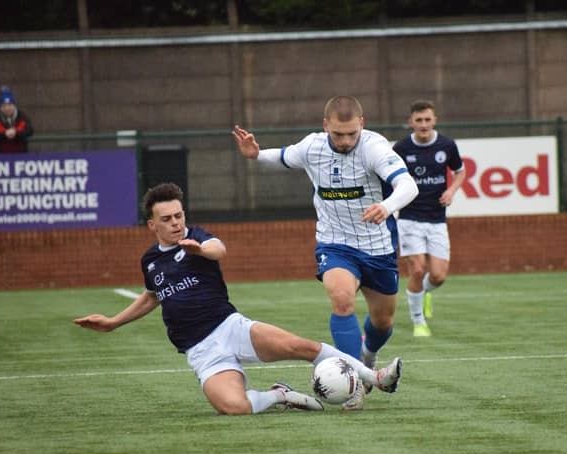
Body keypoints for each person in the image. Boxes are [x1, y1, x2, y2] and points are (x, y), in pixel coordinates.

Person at [73, 182, 403, 415]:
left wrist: (199, 248)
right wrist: (113, 323)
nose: (176, 223)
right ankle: (280, 395)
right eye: (167, 219)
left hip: (230, 327)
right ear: (151, 225)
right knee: (234, 408)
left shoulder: (197, 237)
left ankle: (375, 378)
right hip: (202, 352)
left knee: (302, 347)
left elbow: (220, 249)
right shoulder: (150, 260)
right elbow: (151, 296)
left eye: (179, 216)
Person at [232, 96, 418, 410]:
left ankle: (367, 359)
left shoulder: (374, 148)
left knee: (383, 321)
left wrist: (386, 206)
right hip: (335, 244)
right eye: (337, 135)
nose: (345, 141)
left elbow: (408, 186)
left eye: (351, 134)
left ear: (362, 124)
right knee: (342, 298)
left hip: (378, 248)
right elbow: (282, 156)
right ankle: (359, 382)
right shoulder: (312, 147)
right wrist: (255, 155)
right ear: (325, 126)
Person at [392, 100, 466, 337]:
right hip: (409, 218)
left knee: (438, 276)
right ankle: (418, 322)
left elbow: (460, 172)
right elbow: (388, 175)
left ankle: (424, 293)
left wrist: (451, 191)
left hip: (437, 219)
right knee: (417, 270)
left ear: (434, 120)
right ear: (410, 122)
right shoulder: (401, 148)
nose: (423, 124)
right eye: (418, 120)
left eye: (427, 120)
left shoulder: (447, 145)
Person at [0, 86, 34, 154]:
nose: (7, 108)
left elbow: (30, 130)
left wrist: (16, 133)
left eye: (9, 105)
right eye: (4, 105)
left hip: (20, 158)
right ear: (0, 107)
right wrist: (4, 134)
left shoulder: (22, 117)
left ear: (14, 105)